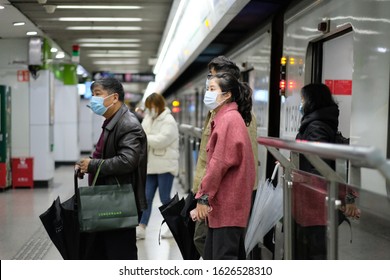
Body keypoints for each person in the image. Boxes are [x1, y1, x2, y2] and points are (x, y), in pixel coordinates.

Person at [192, 56, 259, 258]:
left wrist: (203, 197)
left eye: (212, 89)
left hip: (227, 202)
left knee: (223, 257)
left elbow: (218, 163)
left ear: (227, 94)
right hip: (221, 202)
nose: (208, 93)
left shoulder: (229, 120)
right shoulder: (225, 118)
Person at [76, 77, 147, 260]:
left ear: (114, 97)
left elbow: (127, 161)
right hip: (109, 198)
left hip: (120, 202)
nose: (94, 100)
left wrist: (93, 164)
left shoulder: (128, 124)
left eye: (98, 95)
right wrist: (89, 164)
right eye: (92, 95)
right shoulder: (112, 121)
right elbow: (106, 155)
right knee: (104, 252)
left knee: (120, 254)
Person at [294, 83, 360, 259]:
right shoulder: (322, 122)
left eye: (302, 99)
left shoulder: (316, 126)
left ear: (311, 101)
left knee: (314, 251)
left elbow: (317, 166)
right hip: (317, 203)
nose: (301, 103)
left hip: (315, 204)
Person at [136, 92, 179, 239]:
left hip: (165, 166)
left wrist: (146, 138)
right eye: (148, 107)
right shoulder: (148, 118)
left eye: (151, 106)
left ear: (158, 105)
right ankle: (141, 227)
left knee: (165, 198)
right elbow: (141, 133)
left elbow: (162, 140)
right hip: (151, 165)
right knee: (146, 197)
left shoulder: (168, 120)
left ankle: (174, 226)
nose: (149, 110)